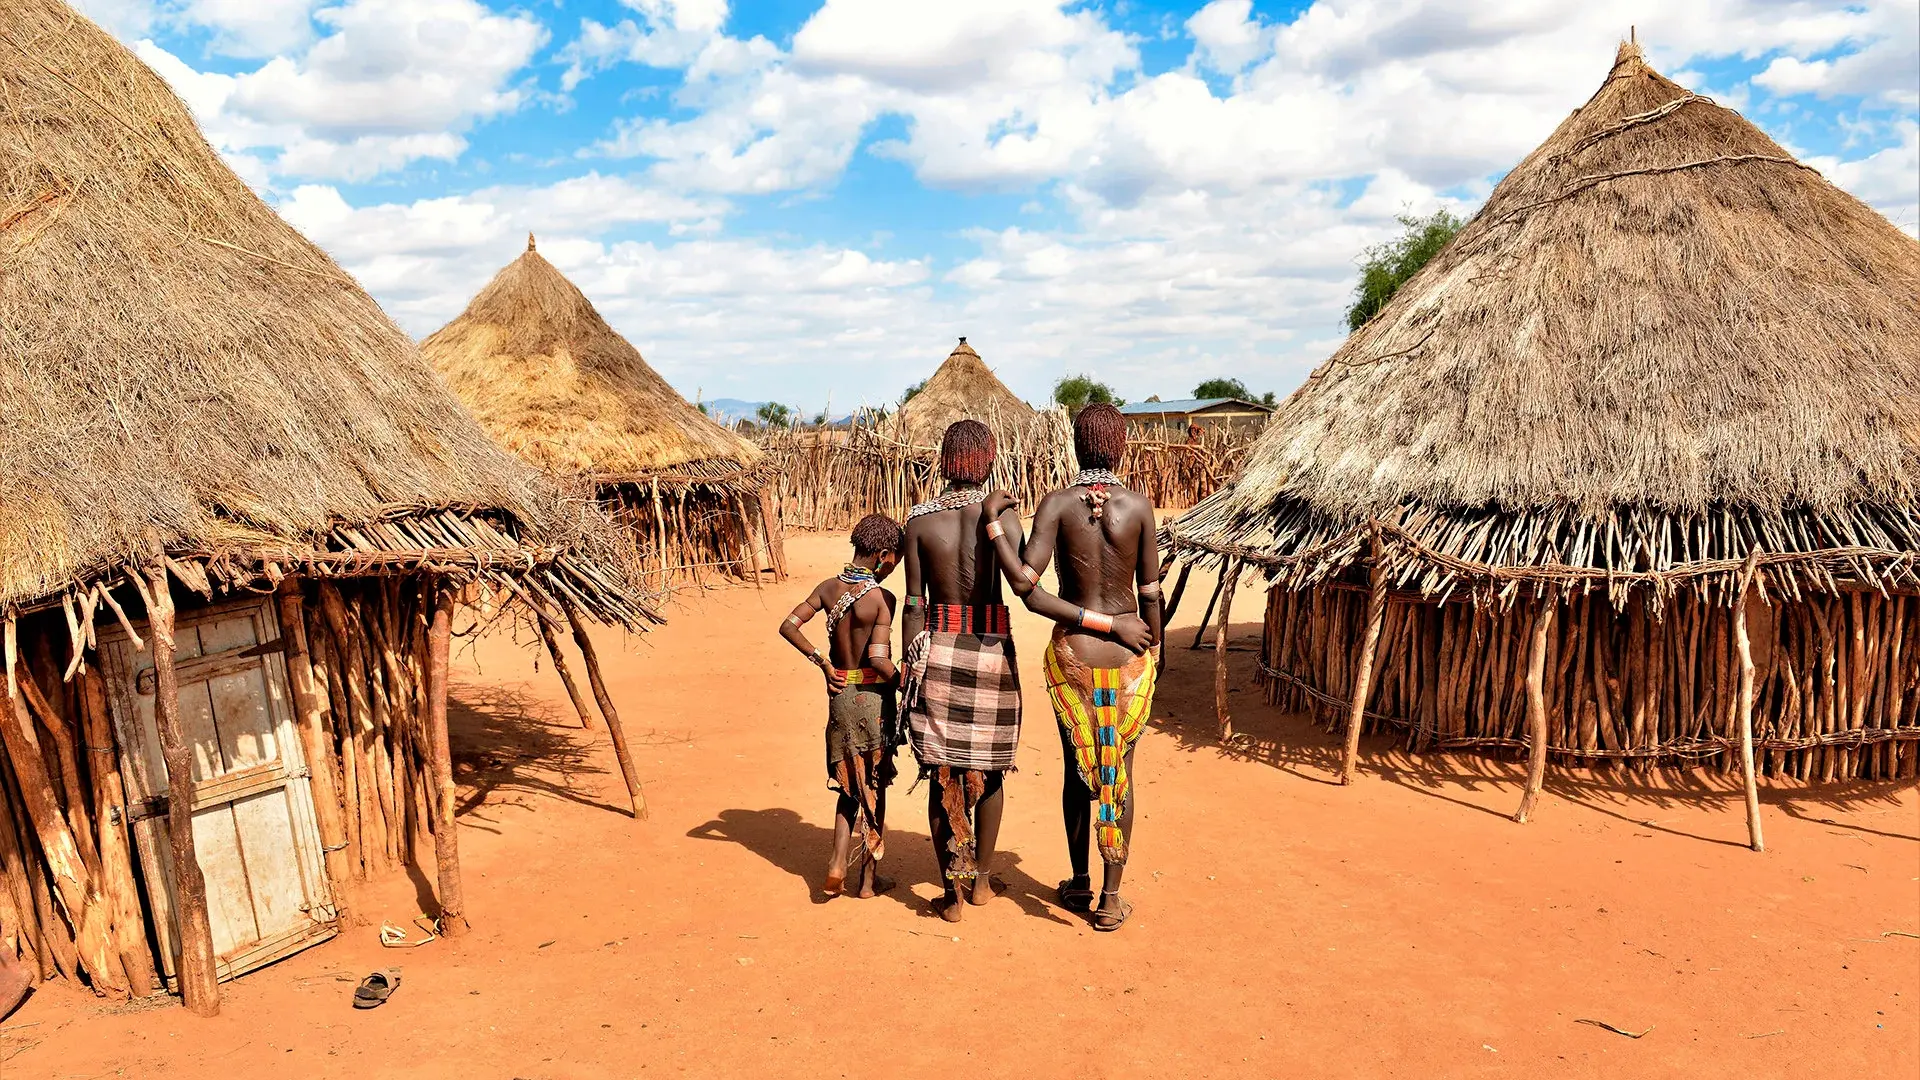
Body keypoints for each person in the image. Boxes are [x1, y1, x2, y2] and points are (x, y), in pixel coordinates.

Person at [982, 403, 1160, 931]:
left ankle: (1079, 880)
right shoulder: (1140, 507)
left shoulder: (1057, 505)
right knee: (1117, 773)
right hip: (1130, 662)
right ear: (1120, 445)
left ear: (1076, 444)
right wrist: (1154, 657)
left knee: (1076, 772)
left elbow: (1027, 590)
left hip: (1073, 659)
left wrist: (996, 528)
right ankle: (1109, 898)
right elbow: (1150, 595)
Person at [899, 420, 1025, 922]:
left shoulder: (918, 523)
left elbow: (913, 604)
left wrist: (914, 668)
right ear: (988, 458)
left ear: (947, 460)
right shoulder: (1004, 519)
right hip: (992, 649)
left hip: (940, 651)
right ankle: (982, 885)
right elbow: (1023, 580)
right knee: (990, 769)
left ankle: (951, 896)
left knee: (942, 771)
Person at [778, 513, 905, 899]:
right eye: (893, 561)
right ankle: (867, 881)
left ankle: (836, 863)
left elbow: (788, 625)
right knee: (875, 786)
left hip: (839, 698)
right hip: (872, 701)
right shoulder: (881, 599)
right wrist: (906, 686)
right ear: (883, 554)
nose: (892, 569)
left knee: (848, 786)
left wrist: (824, 662)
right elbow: (881, 662)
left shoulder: (828, 587)